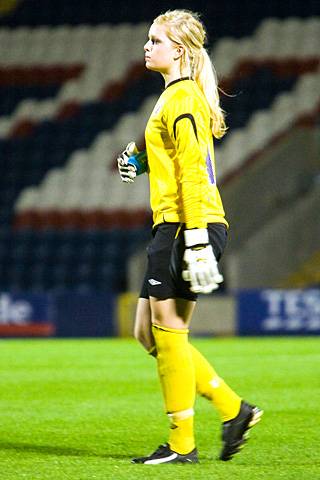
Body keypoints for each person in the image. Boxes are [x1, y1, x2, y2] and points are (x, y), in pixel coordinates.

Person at [117, 9, 263, 465]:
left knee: (169, 333)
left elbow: (193, 173)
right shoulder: (174, 98)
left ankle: (182, 445)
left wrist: (197, 238)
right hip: (175, 225)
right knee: (147, 333)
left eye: (155, 39)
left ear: (178, 49)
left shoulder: (181, 101)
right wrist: (139, 158)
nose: (147, 45)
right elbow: (169, 154)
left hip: (185, 224)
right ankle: (234, 410)